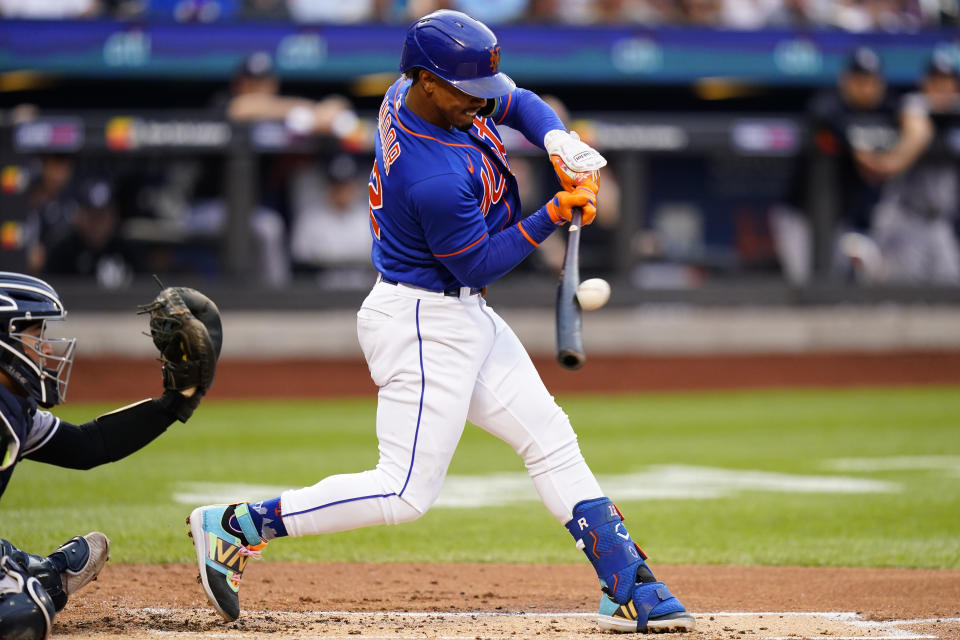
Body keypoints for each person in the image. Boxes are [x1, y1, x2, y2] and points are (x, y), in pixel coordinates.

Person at [187, 10, 695, 635]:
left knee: (550, 437)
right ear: (426, 80)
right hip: (424, 322)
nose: (478, 103)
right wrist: (554, 212)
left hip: (461, 313)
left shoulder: (415, 92)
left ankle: (627, 584)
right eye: (464, 92)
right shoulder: (431, 176)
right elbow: (479, 259)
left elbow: (515, 99)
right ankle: (237, 527)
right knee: (403, 492)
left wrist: (558, 140)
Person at [0, 272, 220, 639]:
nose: (46, 349)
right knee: (21, 616)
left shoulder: (13, 407)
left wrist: (174, 403)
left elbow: (89, 445)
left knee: (37, 582)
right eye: (33, 334)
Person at [770, 46, 930, 284]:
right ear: (846, 80)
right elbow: (827, 120)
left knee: (840, 279)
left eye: (870, 80)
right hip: (800, 216)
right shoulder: (829, 105)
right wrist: (867, 153)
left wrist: (894, 160)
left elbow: (918, 124)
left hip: (844, 218)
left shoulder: (888, 106)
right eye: (858, 80)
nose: (865, 87)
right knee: (804, 280)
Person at [862, 51, 960, 284]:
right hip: (905, 219)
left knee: (951, 285)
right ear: (925, 82)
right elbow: (916, 125)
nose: (942, 87)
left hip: (940, 224)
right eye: (936, 81)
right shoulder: (914, 106)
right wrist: (890, 163)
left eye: (947, 81)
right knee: (900, 288)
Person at [43, 178, 145, 289]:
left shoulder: (127, 250)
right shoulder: (62, 252)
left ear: (113, 215)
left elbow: (145, 290)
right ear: (79, 215)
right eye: (91, 216)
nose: (97, 224)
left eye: (102, 216)